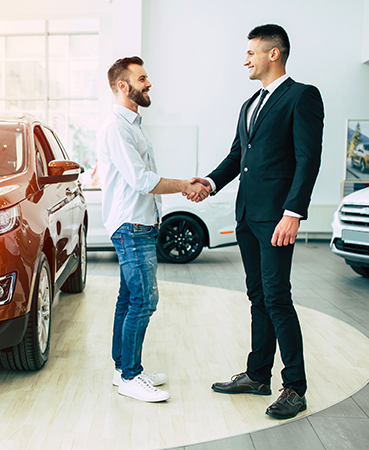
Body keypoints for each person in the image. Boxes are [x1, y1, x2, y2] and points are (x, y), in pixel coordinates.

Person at [191, 24, 324, 419]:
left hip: (278, 218)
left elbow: (308, 159)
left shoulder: (302, 96)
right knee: (258, 297)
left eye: (251, 52)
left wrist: (293, 213)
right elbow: (238, 156)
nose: (245, 60)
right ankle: (257, 375)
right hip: (248, 217)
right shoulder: (250, 103)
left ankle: (295, 387)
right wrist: (210, 182)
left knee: (277, 297)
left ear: (273, 54)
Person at [97, 56, 208, 403]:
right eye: (142, 78)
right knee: (145, 299)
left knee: (128, 299)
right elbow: (140, 180)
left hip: (138, 221)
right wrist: (185, 186)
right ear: (122, 85)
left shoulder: (133, 125)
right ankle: (131, 375)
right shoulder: (117, 128)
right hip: (131, 224)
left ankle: (123, 369)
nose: (149, 84)